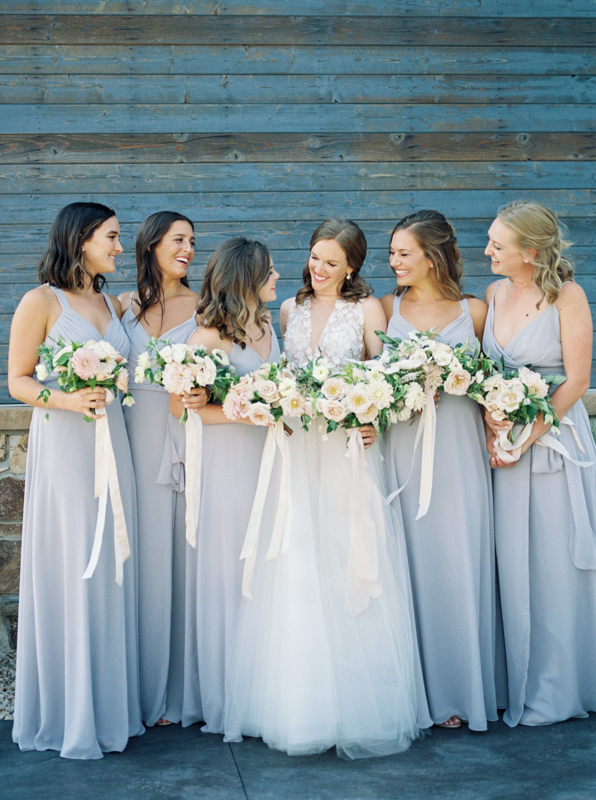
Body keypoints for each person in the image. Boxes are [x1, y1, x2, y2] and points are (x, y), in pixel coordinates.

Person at [223, 219, 431, 759]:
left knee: (346, 558)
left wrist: (373, 420)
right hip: (296, 450)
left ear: (352, 268)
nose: (318, 270)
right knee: (297, 561)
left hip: (345, 451)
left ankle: (359, 703)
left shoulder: (366, 311)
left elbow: (387, 378)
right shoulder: (287, 310)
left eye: (331, 263)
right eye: (315, 258)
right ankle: (298, 703)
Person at [9, 202, 144, 759]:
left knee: (112, 561)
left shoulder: (112, 302)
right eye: (111, 237)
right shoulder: (40, 301)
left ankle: (109, 705)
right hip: (66, 442)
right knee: (72, 562)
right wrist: (65, 397)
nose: (119, 247)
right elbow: (18, 380)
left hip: (114, 438)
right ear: (81, 238)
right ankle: (67, 711)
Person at [380, 210, 499, 731]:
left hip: (458, 451)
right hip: (400, 452)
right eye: (391, 253)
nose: (394, 262)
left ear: (432, 256)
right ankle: (411, 693)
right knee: (406, 566)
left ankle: (460, 691)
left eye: (403, 253)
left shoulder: (474, 310)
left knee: (458, 561)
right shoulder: (385, 308)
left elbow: (494, 384)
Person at [483, 200, 596, 727]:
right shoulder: (494, 292)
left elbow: (575, 381)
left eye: (497, 245)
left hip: (552, 443)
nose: (486, 252)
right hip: (502, 446)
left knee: (552, 564)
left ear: (530, 251)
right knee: (509, 561)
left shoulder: (567, 297)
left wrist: (525, 436)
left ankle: (556, 684)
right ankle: (512, 681)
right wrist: (494, 426)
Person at [162, 237, 281, 734]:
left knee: (268, 568)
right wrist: (250, 413)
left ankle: (265, 687)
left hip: (270, 461)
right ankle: (226, 693)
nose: (277, 277)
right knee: (231, 567)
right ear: (247, 279)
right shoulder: (205, 340)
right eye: (269, 271)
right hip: (230, 461)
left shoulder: (267, 327)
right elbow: (181, 410)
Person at [118, 211, 206, 728]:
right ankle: (133, 685)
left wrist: (201, 391)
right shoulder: (121, 306)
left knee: (181, 557)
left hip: (181, 440)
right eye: (179, 240)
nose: (189, 249)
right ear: (151, 244)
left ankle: (180, 691)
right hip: (130, 441)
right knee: (140, 560)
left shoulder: (203, 307)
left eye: (193, 241)